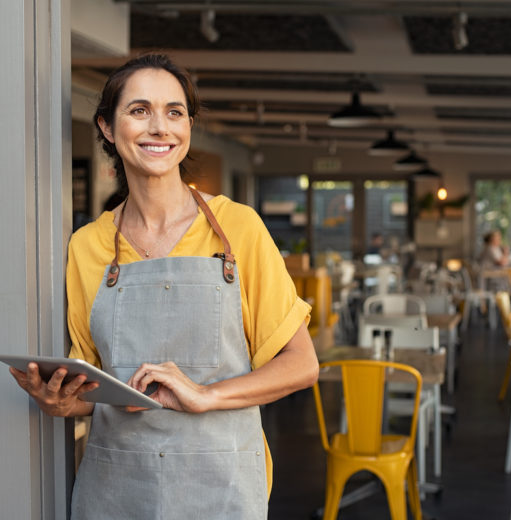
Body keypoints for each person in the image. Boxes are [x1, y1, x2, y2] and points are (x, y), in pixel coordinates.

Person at [9, 54, 319, 519]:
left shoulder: (238, 229)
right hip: (116, 489)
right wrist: (62, 403)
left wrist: (207, 395)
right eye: (139, 111)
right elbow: (93, 387)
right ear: (108, 128)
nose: (160, 127)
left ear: (188, 126)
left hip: (222, 489)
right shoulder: (88, 246)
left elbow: (302, 365)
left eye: (175, 112)